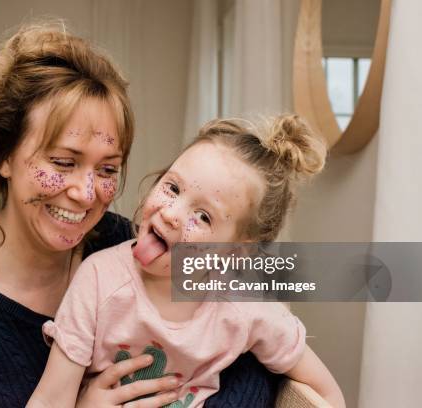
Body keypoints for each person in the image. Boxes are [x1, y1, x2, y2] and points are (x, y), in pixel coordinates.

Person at [0, 22, 280, 407]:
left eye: (107, 169)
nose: (85, 193)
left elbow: (253, 356)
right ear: (4, 155)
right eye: (62, 162)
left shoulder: (129, 246)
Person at [29, 116, 347, 408]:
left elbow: (326, 394)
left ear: (236, 251)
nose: (171, 213)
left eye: (203, 216)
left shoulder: (245, 306)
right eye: (172, 188)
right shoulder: (98, 280)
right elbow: (49, 400)